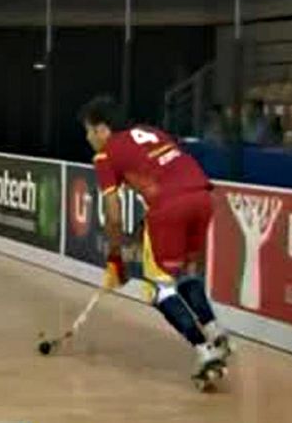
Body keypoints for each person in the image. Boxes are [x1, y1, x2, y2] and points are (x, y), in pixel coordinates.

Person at [81, 95, 231, 384]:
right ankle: (215, 332)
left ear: (102, 129)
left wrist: (115, 256)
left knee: (157, 288)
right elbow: (166, 169)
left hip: (169, 209)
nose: (88, 138)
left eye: (89, 131)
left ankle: (205, 352)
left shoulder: (105, 155)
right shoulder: (152, 132)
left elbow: (113, 214)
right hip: (202, 199)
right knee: (185, 274)